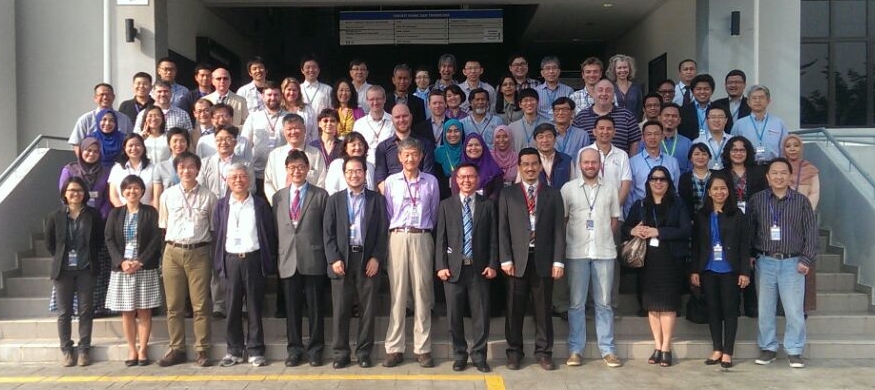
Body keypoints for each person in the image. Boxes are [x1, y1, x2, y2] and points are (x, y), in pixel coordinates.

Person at [499, 148, 566, 371]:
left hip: (543, 260)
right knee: (513, 309)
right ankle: (514, 352)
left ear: (540, 166)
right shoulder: (507, 194)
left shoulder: (553, 194)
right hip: (517, 262)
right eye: (525, 164)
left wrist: (558, 261)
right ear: (519, 167)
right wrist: (506, 258)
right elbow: (503, 230)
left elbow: (559, 230)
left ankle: (544, 352)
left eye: (534, 164)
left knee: (543, 309)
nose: (529, 168)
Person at [750, 158, 818, 369]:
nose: (779, 177)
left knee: (793, 309)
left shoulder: (801, 201)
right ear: (768, 177)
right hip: (765, 260)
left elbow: (811, 233)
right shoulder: (757, 200)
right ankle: (768, 347)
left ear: (790, 176)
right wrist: (751, 255)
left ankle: (795, 350)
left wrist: (806, 259)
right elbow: (750, 231)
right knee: (765, 308)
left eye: (783, 173)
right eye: (774, 173)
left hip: (793, 262)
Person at [622, 166, 691, 367]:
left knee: (667, 306)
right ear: (648, 182)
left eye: (662, 179)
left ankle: (667, 347)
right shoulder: (641, 204)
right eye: (654, 179)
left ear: (669, 182)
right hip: (647, 261)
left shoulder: (677, 204)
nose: (658, 182)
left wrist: (658, 232)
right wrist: (634, 230)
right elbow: (626, 228)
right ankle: (657, 345)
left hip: (670, 261)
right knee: (652, 306)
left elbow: (685, 230)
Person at [323, 156, 389, 369]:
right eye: (350, 171)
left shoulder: (377, 199)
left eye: (358, 170)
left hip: (367, 260)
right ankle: (340, 352)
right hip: (342, 260)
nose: (354, 174)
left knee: (367, 310)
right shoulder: (334, 200)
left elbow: (382, 232)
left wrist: (377, 257)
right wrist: (334, 258)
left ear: (364, 173)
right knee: (341, 309)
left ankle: (363, 352)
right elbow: (328, 233)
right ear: (344, 174)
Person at [381, 138, 440, 369]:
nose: (410, 159)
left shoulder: (431, 182)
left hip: (422, 235)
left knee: (422, 292)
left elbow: (434, 213)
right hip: (396, 236)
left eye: (414, 154)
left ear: (421, 156)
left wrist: (422, 231)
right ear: (399, 157)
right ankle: (394, 348)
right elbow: (388, 212)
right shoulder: (391, 182)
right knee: (397, 293)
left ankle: (422, 348)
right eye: (406, 155)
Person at [562, 148, 622, 368]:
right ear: (579, 164)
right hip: (576, 252)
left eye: (593, 162)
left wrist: (602, 236)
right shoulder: (568, 189)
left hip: (604, 252)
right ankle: (575, 349)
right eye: (586, 162)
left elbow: (614, 219)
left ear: (600, 165)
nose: (590, 166)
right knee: (576, 304)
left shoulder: (610, 189)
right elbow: (564, 219)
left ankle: (608, 350)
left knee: (604, 304)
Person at [435, 162, 498, 373]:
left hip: (479, 269)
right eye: (462, 177)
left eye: (471, 176)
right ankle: (460, 355)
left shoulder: (487, 205)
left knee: (481, 315)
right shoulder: (446, 205)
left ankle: (479, 356)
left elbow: (493, 239)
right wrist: (441, 265)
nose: (466, 180)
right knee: (454, 316)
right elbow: (440, 239)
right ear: (456, 180)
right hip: (453, 269)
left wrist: (492, 264)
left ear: (477, 179)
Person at [156, 152, 217, 367]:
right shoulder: (167, 196)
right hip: (172, 252)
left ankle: (202, 349)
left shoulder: (209, 197)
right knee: (174, 305)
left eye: (191, 166)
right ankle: (177, 348)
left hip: (199, 252)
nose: (186, 170)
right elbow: (163, 226)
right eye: (182, 167)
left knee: (200, 305)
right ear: (177, 170)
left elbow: (213, 227)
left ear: (198, 170)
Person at [214, 163, 278, 368]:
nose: (238, 181)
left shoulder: (259, 205)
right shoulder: (222, 205)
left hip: (253, 259)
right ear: (227, 181)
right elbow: (218, 234)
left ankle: (256, 350)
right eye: (234, 177)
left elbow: (269, 233)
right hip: (231, 259)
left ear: (249, 180)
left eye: (242, 177)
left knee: (254, 306)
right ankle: (233, 350)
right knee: (232, 307)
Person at [271, 151, 329, 367]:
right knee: (292, 310)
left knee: (315, 309)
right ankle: (294, 349)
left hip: (313, 259)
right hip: (287, 260)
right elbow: (276, 231)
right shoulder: (278, 197)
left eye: (301, 167)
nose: (296, 171)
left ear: (307, 169)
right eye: (292, 167)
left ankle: (315, 350)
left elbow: (326, 229)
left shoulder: (321, 195)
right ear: (287, 170)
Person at [690, 172, 751, 369]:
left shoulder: (738, 215)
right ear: (709, 192)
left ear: (729, 191)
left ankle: (728, 351)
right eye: (715, 189)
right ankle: (717, 348)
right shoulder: (701, 215)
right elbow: (696, 246)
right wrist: (695, 271)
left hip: (730, 270)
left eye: (723, 188)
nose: (719, 192)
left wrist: (744, 272)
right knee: (713, 310)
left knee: (730, 311)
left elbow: (744, 245)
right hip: (708, 269)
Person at [104, 174, 163, 367]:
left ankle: (143, 349)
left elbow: (156, 239)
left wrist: (140, 261)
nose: (132, 191)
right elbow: (109, 239)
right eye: (128, 189)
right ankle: (132, 349)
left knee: (144, 311)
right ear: (122, 192)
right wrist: (121, 262)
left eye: (136, 188)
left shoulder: (150, 212)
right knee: (127, 311)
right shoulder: (115, 213)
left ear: (142, 191)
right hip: (123, 269)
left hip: (144, 267)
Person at [45, 177, 104, 367]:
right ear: (64, 194)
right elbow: (51, 244)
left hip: (86, 268)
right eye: (71, 190)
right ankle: (67, 350)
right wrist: (62, 257)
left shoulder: (93, 215)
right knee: (64, 312)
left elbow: (98, 240)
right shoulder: (55, 216)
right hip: (63, 271)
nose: (75, 194)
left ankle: (84, 349)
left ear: (84, 194)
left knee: (86, 311)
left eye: (79, 190)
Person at [719, 136, 767, 317]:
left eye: (742, 150)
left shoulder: (758, 172)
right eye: (734, 150)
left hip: (754, 220)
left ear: (747, 152)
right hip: (729, 221)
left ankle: (751, 305)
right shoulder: (722, 174)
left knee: (751, 262)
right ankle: (733, 307)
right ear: (728, 153)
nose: (738, 153)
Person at [783, 134, 821, 314]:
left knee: (806, 262)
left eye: (795, 145)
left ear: (801, 148)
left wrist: (804, 212)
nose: (792, 149)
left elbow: (814, 193)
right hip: (781, 220)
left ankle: (805, 307)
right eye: (788, 146)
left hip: (804, 219)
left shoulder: (811, 169)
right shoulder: (778, 168)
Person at [263, 113, 326, 203]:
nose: (293, 132)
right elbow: (268, 183)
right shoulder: (274, 155)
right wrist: (278, 204)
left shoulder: (315, 154)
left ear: (304, 130)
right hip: (281, 207)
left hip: (309, 207)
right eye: (289, 129)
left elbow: (321, 181)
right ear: (284, 132)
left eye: (297, 128)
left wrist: (311, 203)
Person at [373, 104, 437, 189]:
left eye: (405, 116)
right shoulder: (382, 147)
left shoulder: (425, 144)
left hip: (419, 195)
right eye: (397, 117)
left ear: (411, 117)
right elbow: (381, 180)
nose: (401, 120)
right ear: (392, 120)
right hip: (392, 197)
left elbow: (428, 177)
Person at [240, 81, 288, 195]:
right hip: (257, 174)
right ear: (262, 96)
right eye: (269, 95)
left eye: (276, 95)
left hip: (281, 173)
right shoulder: (253, 117)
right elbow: (244, 144)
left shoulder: (289, 117)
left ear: (281, 96)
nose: (273, 98)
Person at [573, 79, 640, 154]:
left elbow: (635, 141)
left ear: (613, 94)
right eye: (600, 90)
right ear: (594, 94)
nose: (604, 94)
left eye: (608, 90)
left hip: (620, 163)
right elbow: (575, 142)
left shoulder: (627, 116)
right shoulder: (581, 117)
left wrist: (630, 161)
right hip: (589, 164)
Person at [68, 83, 134, 156]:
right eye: (101, 95)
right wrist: (86, 164)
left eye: (108, 94)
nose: (105, 97)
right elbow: (76, 144)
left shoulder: (124, 119)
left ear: (113, 97)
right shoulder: (85, 119)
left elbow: (131, 142)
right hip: (92, 165)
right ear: (95, 98)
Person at [731, 85, 788, 164]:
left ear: (768, 101)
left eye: (761, 97)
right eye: (754, 98)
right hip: (748, 167)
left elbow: (784, 150)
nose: (757, 101)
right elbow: (732, 149)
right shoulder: (739, 124)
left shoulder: (779, 123)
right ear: (748, 102)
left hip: (773, 168)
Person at [60, 138, 112, 219]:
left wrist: (101, 216)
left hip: (99, 218)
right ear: (81, 151)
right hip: (74, 217)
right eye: (88, 150)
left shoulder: (105, 172)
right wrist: (75, 214)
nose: (91, 154)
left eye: (96, 151)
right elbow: (64, 195)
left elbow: (108, 198)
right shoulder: (69, 170)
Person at [108, 133, 157, 207]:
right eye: (130, 145)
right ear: (124, 148)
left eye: (137, 145)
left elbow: (155, 197)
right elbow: (113, 196)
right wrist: (124, 212)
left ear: (143, 148)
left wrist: (147, 213)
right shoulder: (117, 169)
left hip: (147, 213)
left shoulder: (153, 168)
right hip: (122, 213)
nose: (134, 148)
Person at [352, 85, 394, 163]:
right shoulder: (359, 124)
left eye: (378, 99)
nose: (375, 102)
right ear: (367, 101)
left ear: (384, 99)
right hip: (366, 165)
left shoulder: (394, 121)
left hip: (389, 164)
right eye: (371, 99)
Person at [456, 133, 504, 200]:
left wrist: (483, 207)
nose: (473, 148)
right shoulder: (458, 171)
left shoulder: (494, 170)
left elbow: (497, 192)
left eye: (477, 145)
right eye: (470, 145)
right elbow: (456, 195)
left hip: (489, 208)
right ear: (464, 148)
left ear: (483, 147)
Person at [678, 143, 714, 217]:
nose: (700, 157)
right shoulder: (684, 178)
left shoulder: (716, 176)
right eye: (697, 154)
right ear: (691, 158)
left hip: (714, 218)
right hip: (692, 221)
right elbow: (683, 203)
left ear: (709, 157)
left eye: (704, 154)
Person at [656, 103, 693, 173]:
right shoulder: (650, 141)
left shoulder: (687, 143)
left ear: (679, 120)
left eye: (674, 116)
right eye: (667, 115)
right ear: (659, 118)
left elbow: (691, 169)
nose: (670, 118)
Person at [280, 77, 318, 143]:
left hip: (306, 148)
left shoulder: (308, 109)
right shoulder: (278, 109)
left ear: (299, 92)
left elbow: (314, 133)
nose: (291, 93)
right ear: (283, 91)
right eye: (289, 89)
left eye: (294, 90)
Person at [607, 54, 644, 121]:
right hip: (616, 126)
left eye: (625, 67)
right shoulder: (609, 88)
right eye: (619, 68)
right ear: (614, 70)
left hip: (634, 125)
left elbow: (640, 109)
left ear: (630, 69)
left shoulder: (636, 88)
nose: (622, 70)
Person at [433, 119, 466, 183]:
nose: (453, 134)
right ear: (445, 133)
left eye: (456, 131)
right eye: (449, 131)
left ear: (461, 132)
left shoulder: (467, 151)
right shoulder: (438, 153)